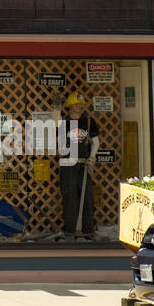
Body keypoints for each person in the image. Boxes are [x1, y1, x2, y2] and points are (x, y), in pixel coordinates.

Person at [54, 92, 99, 242]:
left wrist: (92, 157)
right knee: (69, 196)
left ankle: (88, 230)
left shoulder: (88, 121)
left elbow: (96, 141)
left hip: (83, 163)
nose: (78, 107)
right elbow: (55, 123)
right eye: (75, 104)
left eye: (80, 104)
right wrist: (56, 107)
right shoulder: (64, 122)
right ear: (70, 106)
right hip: (68, 163)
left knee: (87, 195)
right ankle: (70, 230)